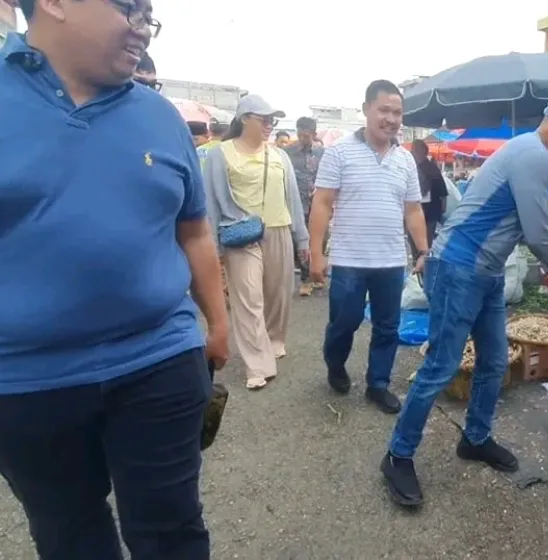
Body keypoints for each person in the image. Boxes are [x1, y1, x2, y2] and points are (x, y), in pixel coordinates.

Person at [0, 3, 229, 559]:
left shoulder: (161, 117)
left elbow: (195, 231)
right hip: (24, 380)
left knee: (172, 528)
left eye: (150, 15)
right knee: (69, 532)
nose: (143, 27)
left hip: (160, 359)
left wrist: (219, 324)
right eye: (129, 8)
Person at [382, 88, 548, 508]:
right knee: (441, 366)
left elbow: (523, 224)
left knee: (494, 360)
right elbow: (538, 232)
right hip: (458, 267)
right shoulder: (533, 154)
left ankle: (476, 437)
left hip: (485, 271)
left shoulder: (531, 153)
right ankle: (398, 454)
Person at [308, 80, 428, 413]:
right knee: (344, 323)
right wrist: (316, 254)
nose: (391, 119)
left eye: (397, 113)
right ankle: (335, 364)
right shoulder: (339, 152)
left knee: (388, 327)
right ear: (366, 110)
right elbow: (322, 203)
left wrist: (423, 251)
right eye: (384, 110)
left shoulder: (405, 160)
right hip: (349, 260)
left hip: (391, 261)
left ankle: (378, 384)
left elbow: (413, 210)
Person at [204, 94, 310, 390]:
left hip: (279, 229)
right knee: (248, 298)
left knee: (278, 294)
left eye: (272, 121)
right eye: (264, 120)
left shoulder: (279, 156)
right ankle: (257, 364)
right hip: (241, 233)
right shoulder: (220, 154)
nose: (269, 125)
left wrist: (302, 239)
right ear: (244, 119)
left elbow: (293, 200)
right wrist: (213, 248)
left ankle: (274, 340)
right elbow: (210, 202)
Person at [285, 117, 325, 296]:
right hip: (296, 204)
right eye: (299, 135)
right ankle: (306, 277)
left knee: (319, 239)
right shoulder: (287, 153)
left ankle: (316, 272)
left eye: (306, 136)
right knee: (298, 240)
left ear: (314, 134)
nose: (302, 139)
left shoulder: (323, 153)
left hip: (318, 204)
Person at [410, 139, 448, 248]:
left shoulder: (426, 169)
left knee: (421, 244)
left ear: (422, 151)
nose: (412, 152)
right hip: (426, 211)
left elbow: (442, 191)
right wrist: (442, 208)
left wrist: (442, 208)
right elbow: (443, 192)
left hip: (426, 211)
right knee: (423, 244)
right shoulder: (418, 168)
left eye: (414, 149)